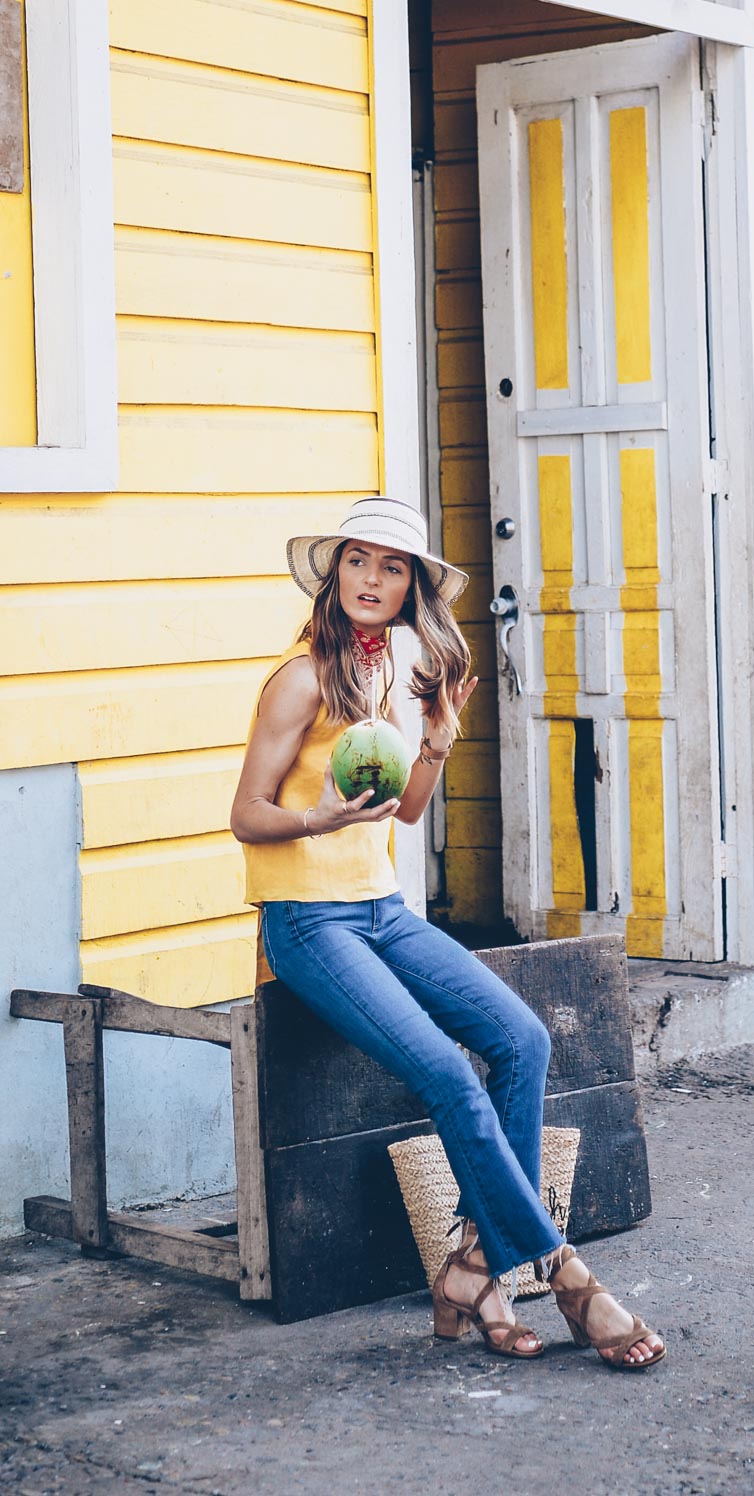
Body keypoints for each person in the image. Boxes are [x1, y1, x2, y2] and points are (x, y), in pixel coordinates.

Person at [230, 496, 665, 1369]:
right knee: (443, 1073)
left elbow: (403, 812)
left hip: (383, 912)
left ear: (412, 590)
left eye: (393, 569)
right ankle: (567, 1273)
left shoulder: (395, 669)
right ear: (334, 572)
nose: (372, 579)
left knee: (521, 1040)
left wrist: (436, 742)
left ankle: (470, 1266)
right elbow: (245, 814)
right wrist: (312, 822)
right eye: (359, 561)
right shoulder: (301, 678)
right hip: (310, 924)